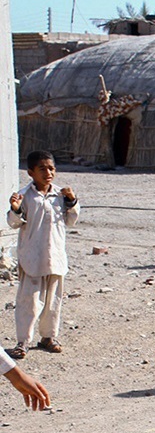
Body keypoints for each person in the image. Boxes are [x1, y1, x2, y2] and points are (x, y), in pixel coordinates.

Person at [6, 150, 79, 359]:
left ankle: (48, 337)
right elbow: (14, 223)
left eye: (51, 168)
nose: (48, 173)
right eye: (42, 169)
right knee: (29, 301)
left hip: (55, 256)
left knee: (53, 301)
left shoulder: (60, 195)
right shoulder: (24, 196)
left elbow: (71, 221)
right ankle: (23, 342)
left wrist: (72, 201)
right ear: (31, 172)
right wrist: (15, 209)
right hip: (32, 257)